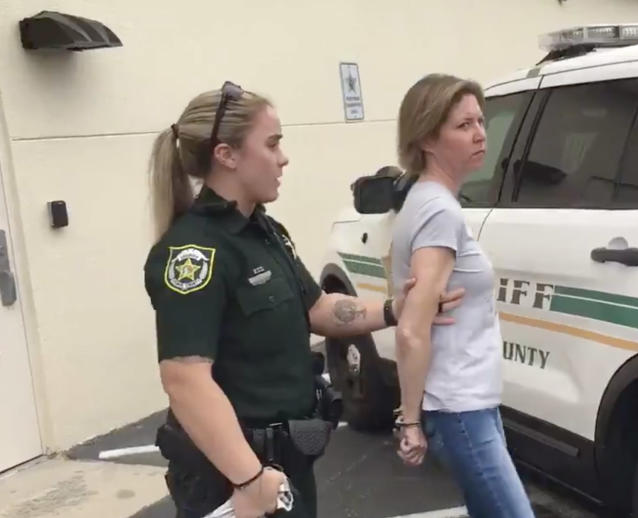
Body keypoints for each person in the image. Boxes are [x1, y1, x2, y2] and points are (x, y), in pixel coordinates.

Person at [143, 81, 464, 518]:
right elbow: (185, 380)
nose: (283, 157)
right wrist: (250, 481)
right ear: (227, 155)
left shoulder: (265, 232)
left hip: (285, 465)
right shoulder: (195, 254)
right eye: (272, 144)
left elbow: (317, 309)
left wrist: (394, 309)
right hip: (232, 478)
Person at [389, 73, 535, 518]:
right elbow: (412, 330)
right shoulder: (437, 210)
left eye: (480, 121)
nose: (480, 134)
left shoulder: (426, 199)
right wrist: (410, 420)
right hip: (458, 405)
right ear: (429, 139)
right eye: (463, 125)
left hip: (471, 400)